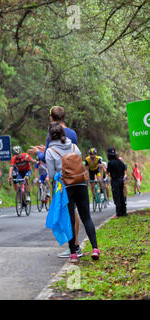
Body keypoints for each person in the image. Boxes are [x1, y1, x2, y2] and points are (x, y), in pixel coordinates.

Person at [28, 106, 82, 258]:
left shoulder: (50, 133)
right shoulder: (73, 133)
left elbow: (47, 157)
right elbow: (69, 151)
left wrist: (38, 153)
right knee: (74, 211)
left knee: (65, 211)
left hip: (61, 179)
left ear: (51, 118)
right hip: (75, 176)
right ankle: (76, 245)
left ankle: (72, 248)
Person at [45, 122, 100, 263]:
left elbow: (51, 175)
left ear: (50, 136)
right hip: (81, 184)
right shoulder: (75, 147)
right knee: (86, 217)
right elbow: (80, 166)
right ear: (63, 134)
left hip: (66, 187)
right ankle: (95, 248)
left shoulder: (50, 152)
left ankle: (74, 254)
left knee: (69, 219)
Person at [107, 147, 127, 218]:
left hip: (115, 181)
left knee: (116, 197)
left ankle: (118, 213)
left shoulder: (110, 163)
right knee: (121, 196)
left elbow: (108, 173)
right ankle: (124, 212)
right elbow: (123, 170)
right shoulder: (120, 162)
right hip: (121, 180)